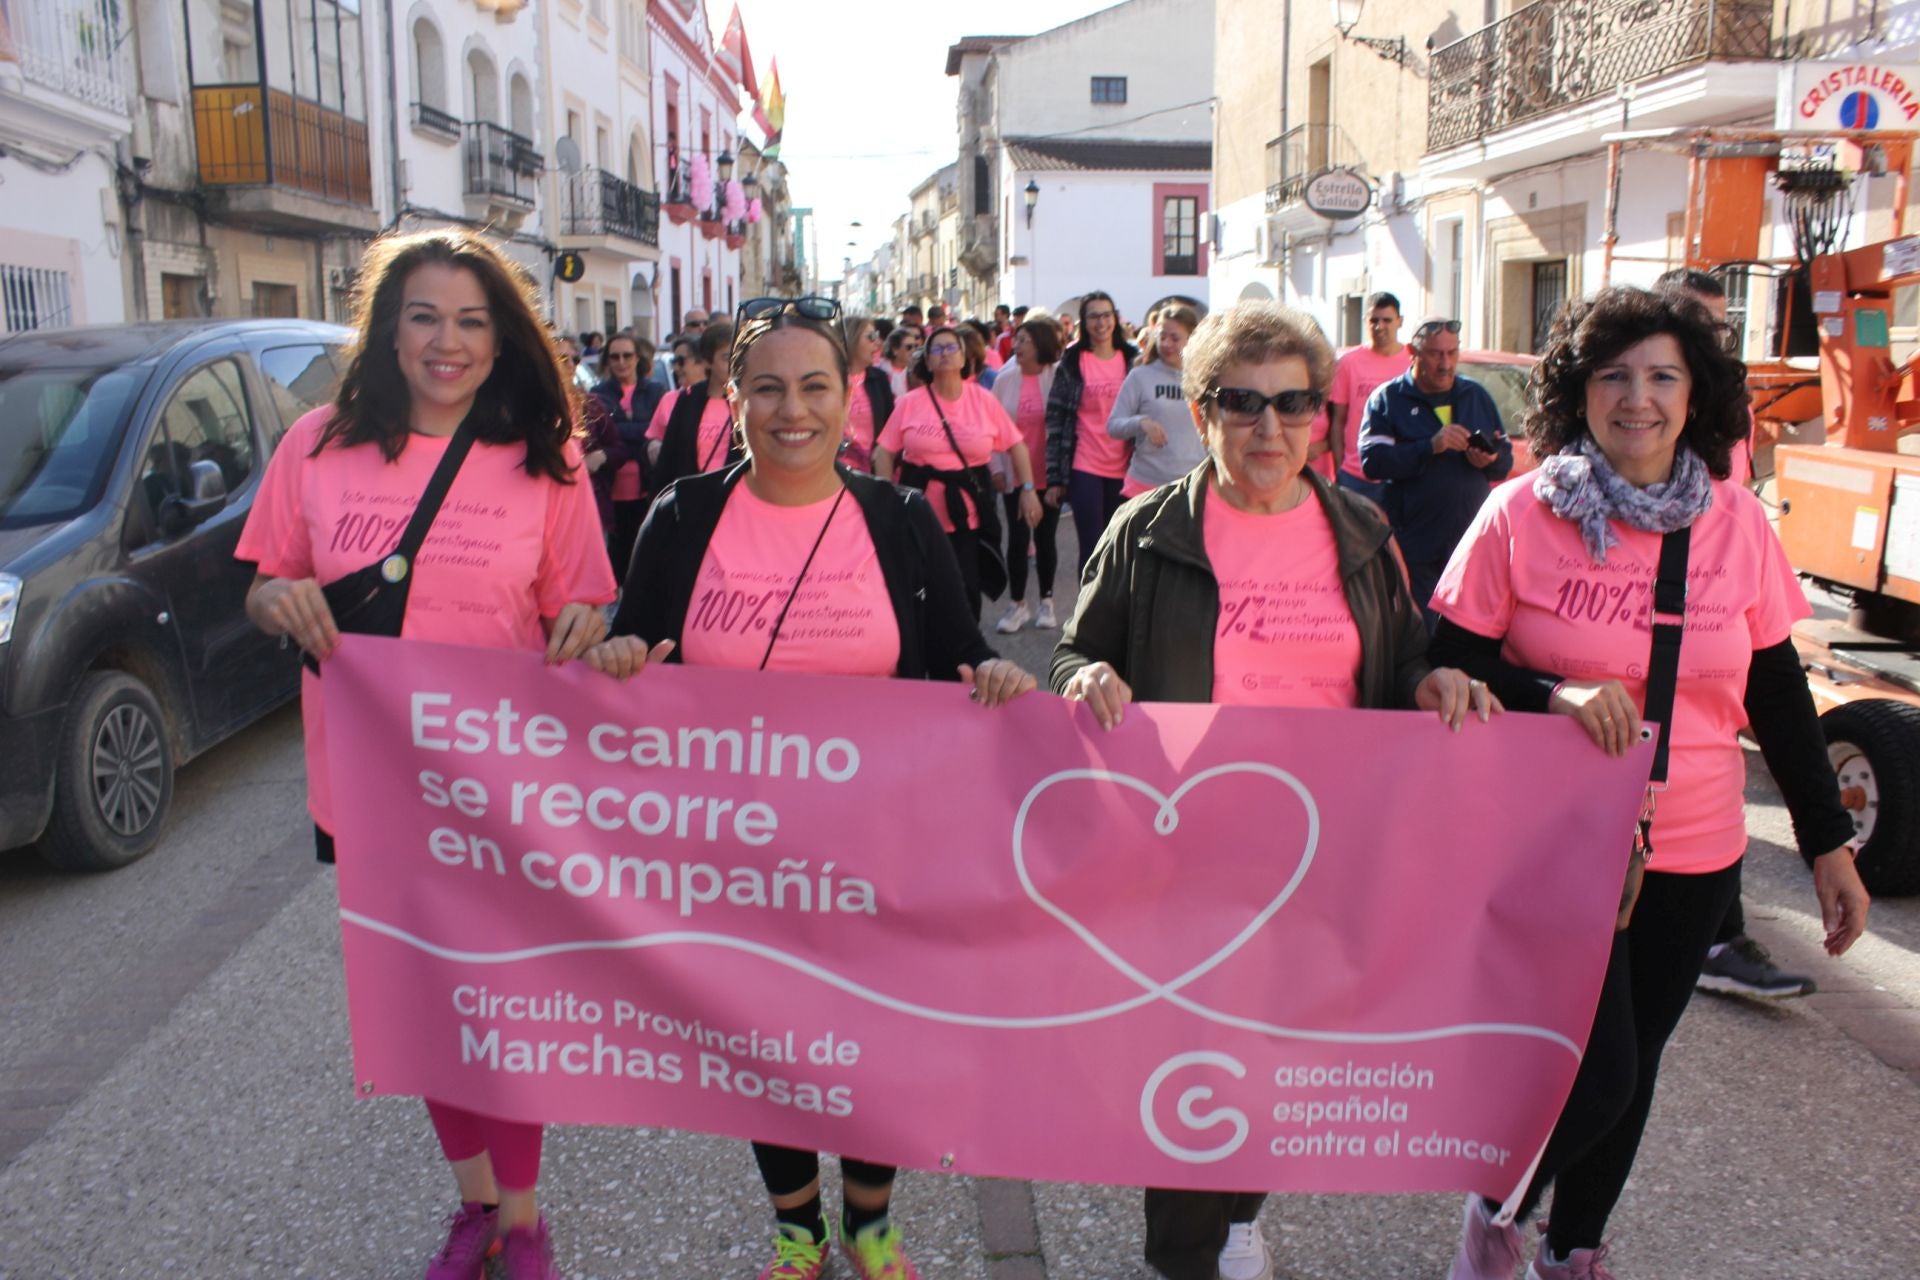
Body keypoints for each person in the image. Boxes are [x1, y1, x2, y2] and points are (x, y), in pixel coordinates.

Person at [1050, 299, 1498, 1280]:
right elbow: (1074, 651)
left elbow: (1403, 659)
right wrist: (1084, 678)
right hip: (1185, 846)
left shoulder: (1360, 529)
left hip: (1323, 849)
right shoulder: (1145, 530)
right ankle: (1184, 1254)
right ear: (1202, 412)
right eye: (1242, 403)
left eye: (1293, 403)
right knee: (1192, 1052)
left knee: (1280, 1048)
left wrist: (1431, 684)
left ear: (1319, 418)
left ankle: (1241, 1215)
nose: (1269, 426)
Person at [1429, 286, 1869, 1280]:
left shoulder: (1737, 522)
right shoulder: (1520, 513)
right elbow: (1445, 660)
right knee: (1603, 1071)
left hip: (1697, 845)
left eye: (1663, 376)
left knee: (1638, 1067)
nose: (1638, 398)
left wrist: (1826, 841)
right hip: (1553, 843)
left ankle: (1573, 1250)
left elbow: (1776, 689)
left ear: (1694, 393)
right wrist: (1550, 691)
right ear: (1577, 391)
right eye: (1614, 375)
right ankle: (1496, 1213)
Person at [595, 295, 1037, 1280]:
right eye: (766, 389)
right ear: (732, 399)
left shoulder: (899, 519)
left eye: (813, 387)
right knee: (767, 1050)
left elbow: (959, 651)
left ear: (850, 398)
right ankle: (797, 1233)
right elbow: (634, 642)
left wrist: (998, 677)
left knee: (876, 1043)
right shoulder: (683, 516)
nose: (791, 411)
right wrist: (619, 658)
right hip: (739, 853)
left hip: (883, 850)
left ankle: (871, 1226)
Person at [235, 228, 616, 1280]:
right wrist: (279, 600)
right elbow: (265, 583)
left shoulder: (546, 460)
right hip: (370, 784)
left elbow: (580, 603)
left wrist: (587, 624)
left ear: (501, 339)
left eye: (471, 321)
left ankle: (524, 1219)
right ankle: (474, 1205)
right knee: (428, 1007)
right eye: (425, 317)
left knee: (502, 1005)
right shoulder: (315, 445)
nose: (448, 341)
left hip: (504, 785)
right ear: (388, 331)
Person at [873, 325, 1042, 618]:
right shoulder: (909, 403)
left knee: (966, 590)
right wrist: (886, 495)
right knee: (922, 592)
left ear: (964, 358)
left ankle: (965, 645)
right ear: (927, 361)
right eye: (936, 349)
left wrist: (1028, 490)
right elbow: (884, 451)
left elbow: (1017, 445)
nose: (944, 354)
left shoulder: (983, 400)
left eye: (951, 347)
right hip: (918, 512)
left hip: (968, 514)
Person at [1358, 315, 1512, 624]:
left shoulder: (1476, 395)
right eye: (1435, 354)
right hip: (1417, 543)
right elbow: (1373, 462)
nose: (1445, 364)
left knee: (1467, 631)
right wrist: (1429, 447)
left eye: (1452, 353)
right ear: (1412, 353)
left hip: (1471, 540)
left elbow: (1504, 461)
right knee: (1424, 631)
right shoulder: (1388, 399)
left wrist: (1491, 461)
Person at [1044, 291, 1140, 573]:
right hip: (1084, 463)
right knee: (1092, 547)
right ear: (1084, 322)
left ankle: (1115, 600)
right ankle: (1088, 600)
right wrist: (1054, 477)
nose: (1101, 323)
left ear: (1115, 319)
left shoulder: (1132, 359)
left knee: (1120, 544)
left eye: (1106, 315)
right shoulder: (1073, 360)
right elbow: (1056, 419)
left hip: (1126, 465)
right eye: (1094, 316)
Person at [990, 316, 1063, 632]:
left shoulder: (1058, 376)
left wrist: (1061, 475)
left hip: (1049, 472)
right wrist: (995, 467)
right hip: (1014, 474)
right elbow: (992, 427)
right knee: (1018, 540)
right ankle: (1017, 604)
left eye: (1024, 341)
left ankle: (1047, 601)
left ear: (1041, 346)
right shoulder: (1004, 379)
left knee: (1045, 539)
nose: (1016, 346)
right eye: (1017, 340)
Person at [1108, 303, 1203, 500]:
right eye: (1162, 336)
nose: (1166, 344)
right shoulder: (1140, 376)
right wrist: (1141, 422)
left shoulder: (1204, 378)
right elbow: (1113, 425)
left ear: (1191, 339)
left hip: (1192, 486)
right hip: (1145, 486)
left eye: (1175, 338)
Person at [590, 332, 664, 577]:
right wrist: (640, 430)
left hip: (647, 486)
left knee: (645, 555)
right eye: (615, 357)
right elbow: (602, 435)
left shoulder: (654, 391)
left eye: (627, 355)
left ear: (637, 358)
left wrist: (621, 430)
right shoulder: (598, 393)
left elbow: (658, 430)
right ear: (607, 360)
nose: (621, 362)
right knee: (616, 558)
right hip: (612, 488)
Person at [1329, 293, 1409, 503]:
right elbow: (1338, 420)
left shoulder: (1412, 362)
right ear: (1365, 321)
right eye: (1374, 320)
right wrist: (1340, 468)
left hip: (1402, 474)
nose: (1380, 326)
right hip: (1355, 476)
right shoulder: (1348, 363)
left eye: (1387, 320)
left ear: (1400, 321)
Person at [647, 320, 738, 489]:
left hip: (734, 494)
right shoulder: (689, 399)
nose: (735, 364)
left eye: (739, 356)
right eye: (727, 358)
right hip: (692, 494)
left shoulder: (747, 400)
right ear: (708, 361)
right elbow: (669, 456)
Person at [558, 336, 629, 543]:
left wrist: (601, 456)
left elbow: (619, 449)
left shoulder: (591, 405)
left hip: (592, 509)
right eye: (563, 359)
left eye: (575, 360)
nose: (571, 366)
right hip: (551, 511)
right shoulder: (531, 407)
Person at [839, 313, 894, 473]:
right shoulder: (828, 379)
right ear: (851, 339)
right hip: (833, 470)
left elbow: (889, 425)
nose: (878, 342)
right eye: (871, 337)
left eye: (877, 336)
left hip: (869, 471)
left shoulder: (879, 379)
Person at [882, 326, 922, 399]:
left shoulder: (916, 373)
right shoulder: (880, 371)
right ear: (895, 350)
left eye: (915, 346)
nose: (913, 350)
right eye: (909, 347)